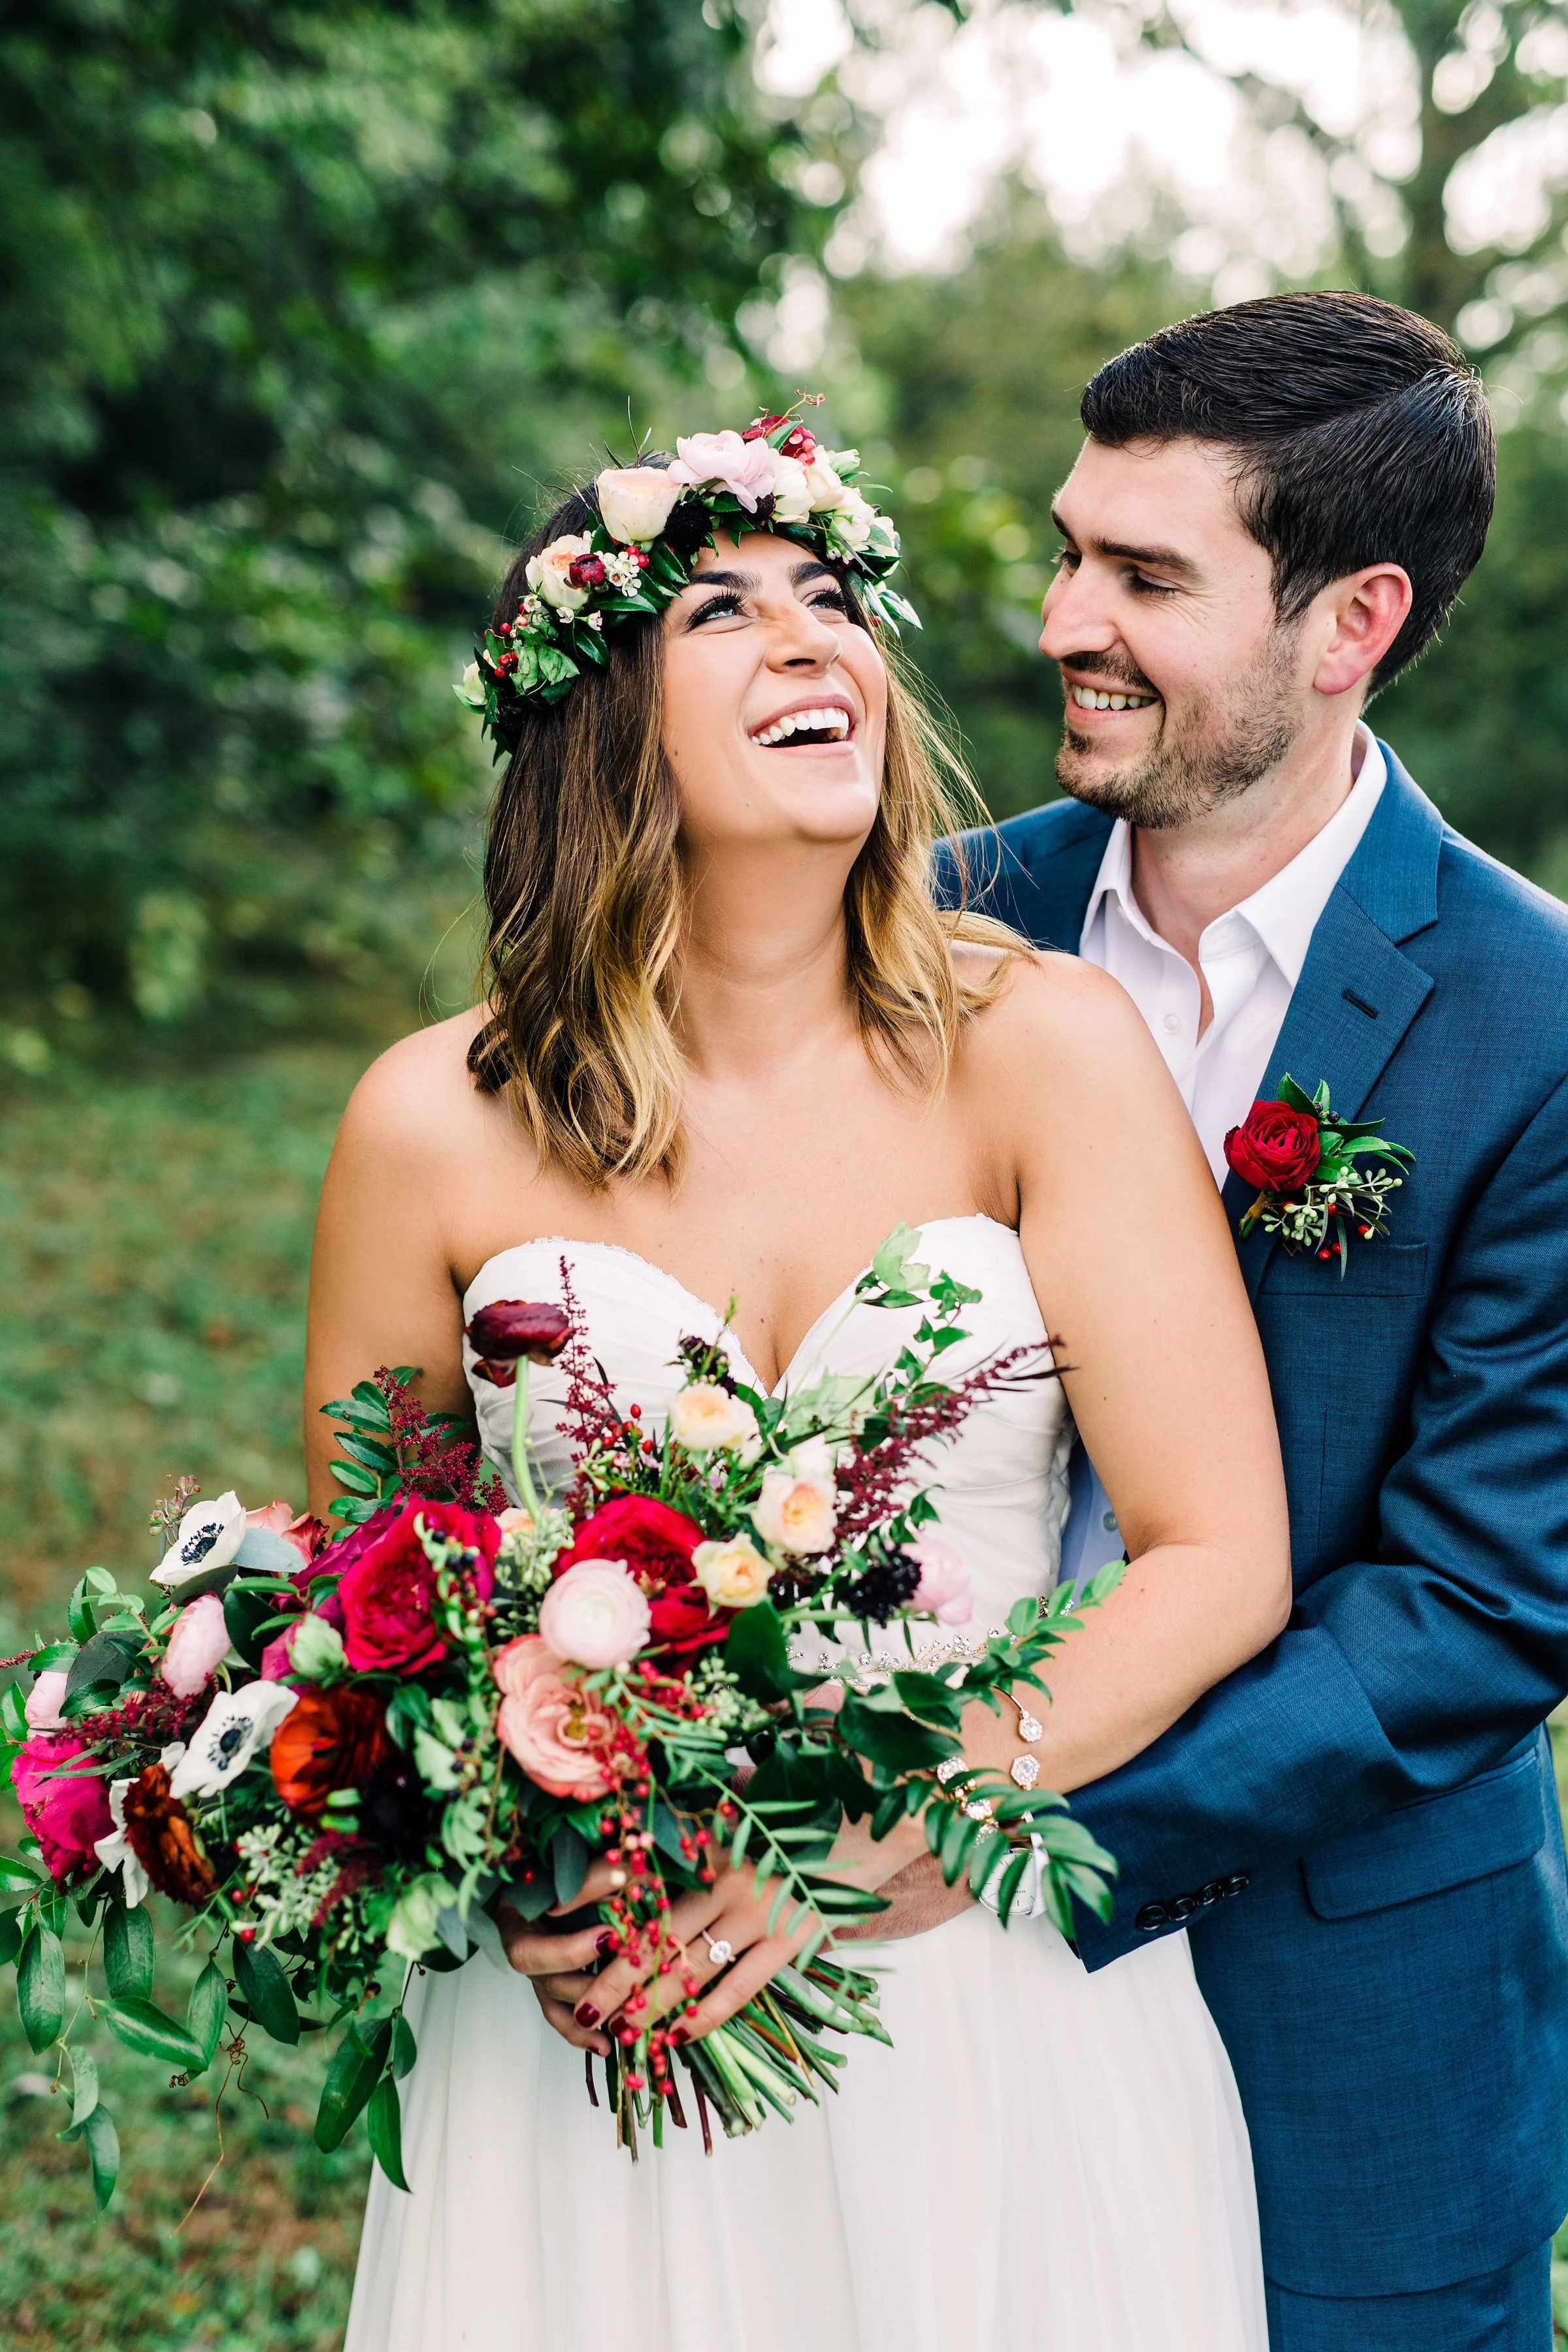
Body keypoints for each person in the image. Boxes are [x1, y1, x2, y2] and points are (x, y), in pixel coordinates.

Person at [306, 436, 1291, 2349]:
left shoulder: (1045, 1051)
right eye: (723, 609)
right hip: (592, 2017)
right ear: (598, 717)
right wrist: (514, 1860)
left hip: (978, 1970)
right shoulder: (428, 1120)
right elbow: (376, 1610)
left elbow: (1216, 1552)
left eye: (833, 600)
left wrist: (904, 1822)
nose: (809, 639)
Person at [924, 289, 1568, 2349]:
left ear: (1350, 620)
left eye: (1145, 576)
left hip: (1343, 2002)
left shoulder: (1533, 1018)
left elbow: (1483, 1599)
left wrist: (1007, 1819)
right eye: (1065, 547)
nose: (1060, 618)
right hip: (891, 1990)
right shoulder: (922, 926)